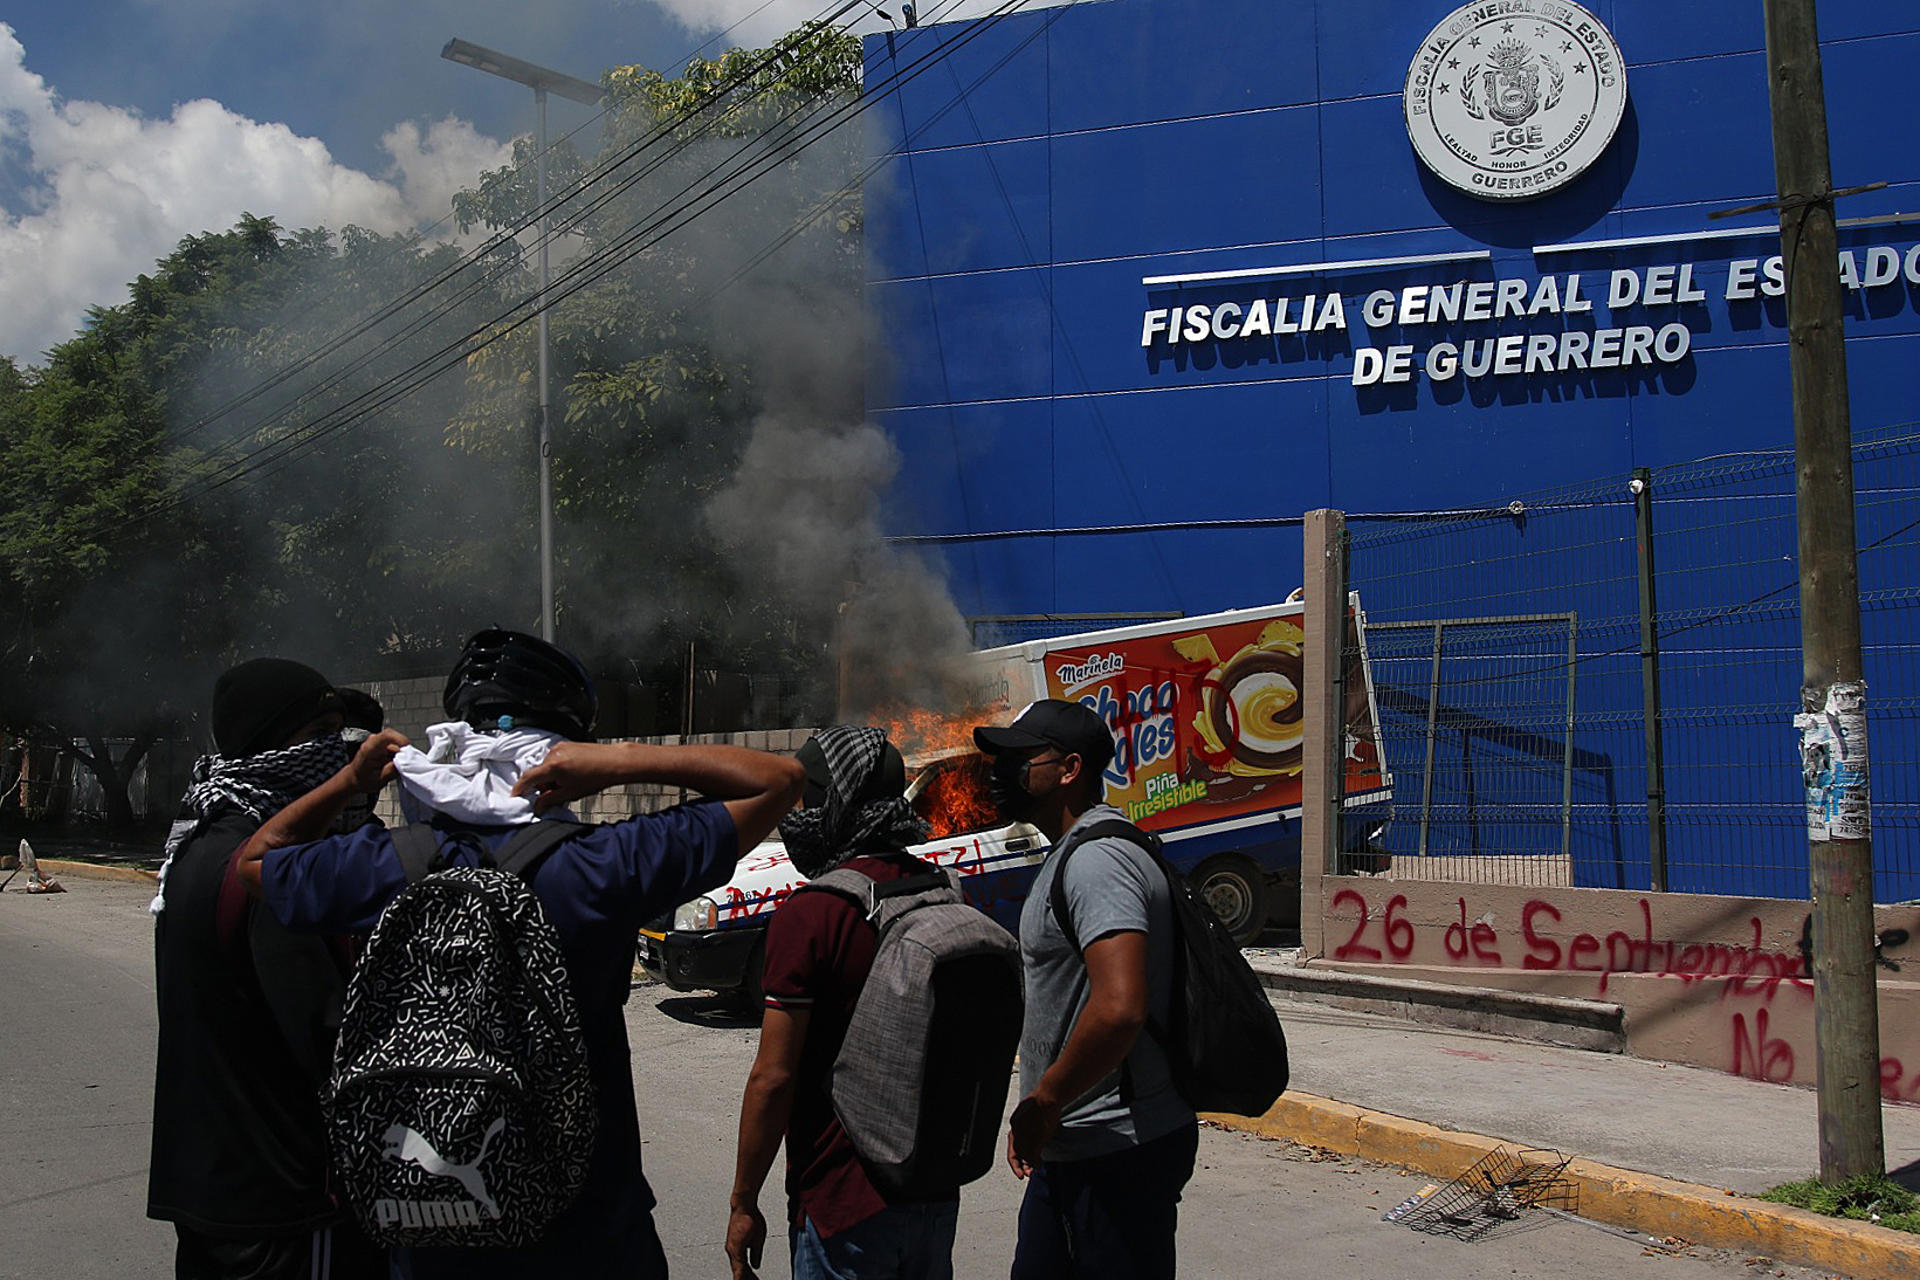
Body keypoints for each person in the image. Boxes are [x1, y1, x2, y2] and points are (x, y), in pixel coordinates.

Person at [235, 628, 806, 1280]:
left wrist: (349, 781)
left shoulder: (387, 865)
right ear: (561, 752)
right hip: (587, 1224)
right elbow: (780, 779)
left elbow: (255, 861)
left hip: (435, 1229)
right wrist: (614, 759)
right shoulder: (602, 866)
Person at [147, 657, 387, 1280]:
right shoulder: (271, 871)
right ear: (269, 746)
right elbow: (334, 1039)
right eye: (320, 732)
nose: (335, 750)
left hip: (212, 1188)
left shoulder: (197, 843)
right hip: (287, 1201)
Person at [974, 699, 1199, 1280]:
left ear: (1069, 769)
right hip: (1080, 1146)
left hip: (1114, 1152)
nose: (1003, 774)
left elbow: (1120, 1008)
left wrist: (1045, 1104)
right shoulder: (1080, 851)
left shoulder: (1097, 862)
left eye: (1020, 759)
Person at [725, 726, 958, 1280]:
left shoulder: (813, 912)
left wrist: (743, 1201)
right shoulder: (942, 887)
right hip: (931, 1191)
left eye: (807, 797)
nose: (798, 812)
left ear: (838, 801)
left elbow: (774, 1078)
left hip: (842, 1203)